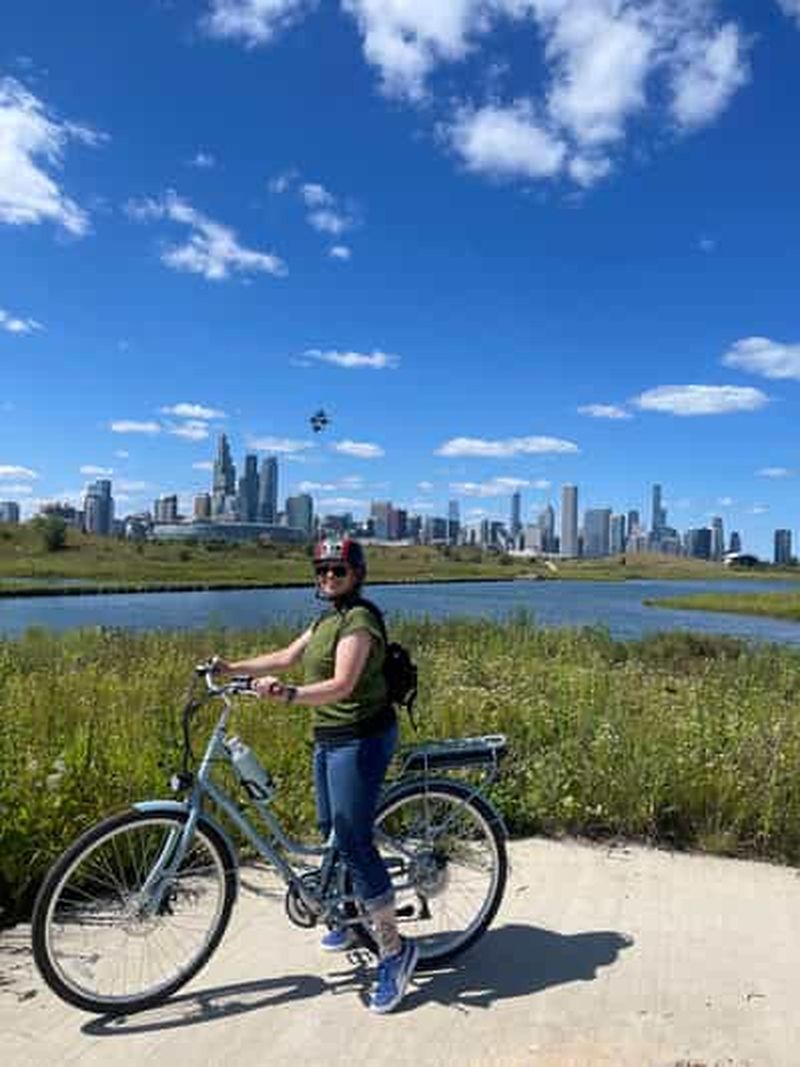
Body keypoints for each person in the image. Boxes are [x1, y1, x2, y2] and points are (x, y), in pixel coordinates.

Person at [217, 536, 417, 1015]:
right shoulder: (326, 619)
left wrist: (287, 695)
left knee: (354, 842)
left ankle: (394, 952)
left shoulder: (359, 620)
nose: (328, 577)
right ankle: (348, 917)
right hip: (328, 737)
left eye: (338, 571)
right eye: (322, 571)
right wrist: (231, 668)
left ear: (356, 575)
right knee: (330, 831)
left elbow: (343, 684)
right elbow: (287, 656)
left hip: (361, 737)